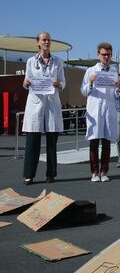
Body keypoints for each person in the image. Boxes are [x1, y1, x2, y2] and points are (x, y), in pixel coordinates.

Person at [22, 32, 65, 185]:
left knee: (51, 142)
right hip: (36, 104)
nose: (46, 42)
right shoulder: (30, 61)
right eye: (44, 40)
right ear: (38, 43)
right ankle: (29, 175)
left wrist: (58, 84)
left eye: (48, 40)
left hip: (52, 104)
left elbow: (63, 82)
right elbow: (26, 81)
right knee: (32, 142)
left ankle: (51, 174)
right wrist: (26, 83)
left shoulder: (58, 62)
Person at [81, 42, 119, 182]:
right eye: (104, 54)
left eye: (109, 54)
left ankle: (104, 172)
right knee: (94, 142)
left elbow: (116, 95)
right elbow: (83, 91)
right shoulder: (90, 71)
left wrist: (118, 88)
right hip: (95, 110)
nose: (106, 57)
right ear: (98, 54)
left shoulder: (114, 71)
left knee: (107, 142)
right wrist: (90, 83)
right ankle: (94, 172)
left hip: (108, 110)